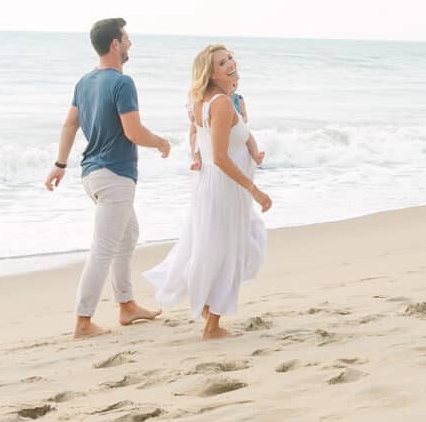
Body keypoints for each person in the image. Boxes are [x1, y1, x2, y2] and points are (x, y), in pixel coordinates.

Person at [44, 18, 171, 339]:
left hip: (92, 174)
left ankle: (127, 305)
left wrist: (60, 164)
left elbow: (70, 125)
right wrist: (160, 142)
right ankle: (83, 322)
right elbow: (133, 131)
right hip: (115, 175)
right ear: (115, 44)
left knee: (128, 235)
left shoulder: (84, 82)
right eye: (126, 39)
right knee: (103, 249)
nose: (130, 44)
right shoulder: (122, 83)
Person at [144, 43, 272, 341]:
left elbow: (203, 143)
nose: (230, 64)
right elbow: (220, 157)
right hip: (225, 188)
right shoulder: (222, 104)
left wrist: (200, 157)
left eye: (230, 58)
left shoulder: (206, 101)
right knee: (228, 249)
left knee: (216, 244)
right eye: (221, 63)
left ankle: (206, 308)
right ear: (211, 74)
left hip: (211, 185)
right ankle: (212, 326)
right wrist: (255, 190)